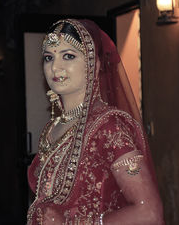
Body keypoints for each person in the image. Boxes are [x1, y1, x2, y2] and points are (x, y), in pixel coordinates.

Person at [27, 19, 164, 225]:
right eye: (49, 57)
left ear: (94, 64)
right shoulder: (52, 129)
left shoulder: (109, 127)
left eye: (68, 56)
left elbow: (149, 213)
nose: (55, 67)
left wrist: (72, 223)